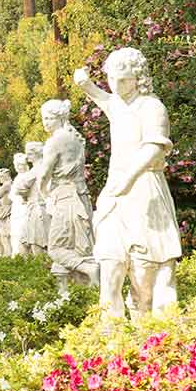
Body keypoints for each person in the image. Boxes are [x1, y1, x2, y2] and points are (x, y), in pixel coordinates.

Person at [74, 48, 182, 320]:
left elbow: (155, 147)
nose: (116, 86)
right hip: (115, 197)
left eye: (123, 80)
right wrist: (85, 83)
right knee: (110, 264)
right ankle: (110, 336)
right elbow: (101, 97)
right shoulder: (117, 104)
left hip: (145, 192)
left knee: (147, 275)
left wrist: (128, 177)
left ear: (138, 77)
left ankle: (151, 336)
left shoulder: (152, 107)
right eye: (111, 79)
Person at [36, 99, 98, 290]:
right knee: (80, 249)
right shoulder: (76, 138)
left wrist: (44, 193)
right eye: (43, 118)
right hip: (81, 197)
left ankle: (89, 270)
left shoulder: (55, 141)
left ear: (59, 117)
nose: (45, 122)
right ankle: (84, 302)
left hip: (65, 200)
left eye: (48, 118)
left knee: (55, 249)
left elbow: (44, 174)